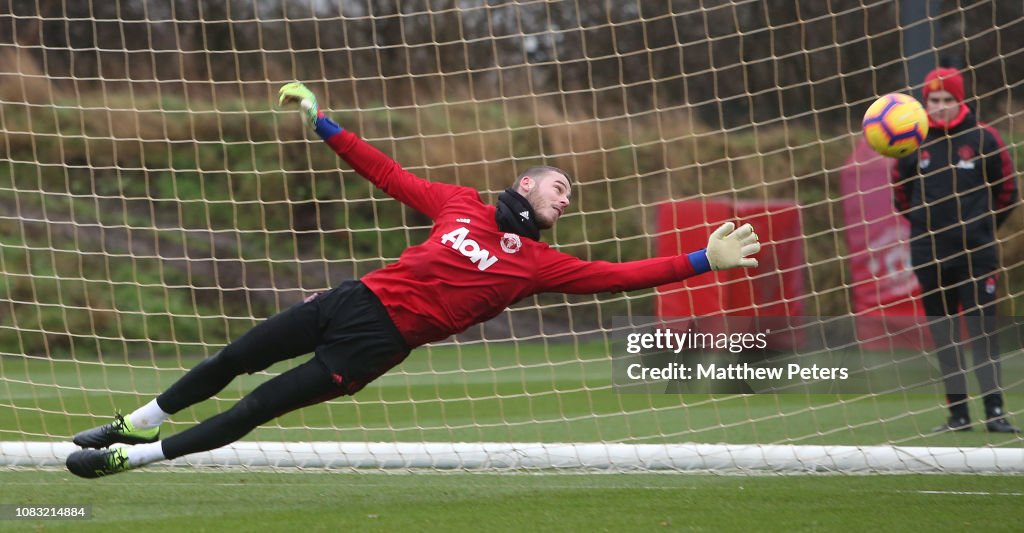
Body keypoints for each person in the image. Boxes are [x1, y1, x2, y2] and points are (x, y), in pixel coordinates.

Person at [65, 82, 762, 477]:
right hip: (349, 298)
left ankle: (137, 456)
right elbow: (387, 171)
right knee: (233, 358)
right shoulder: (458, 202)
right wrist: (324, 123)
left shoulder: (540, 264)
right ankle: (136, 418)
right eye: (558, 187)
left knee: (256, 408)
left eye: (569, 197)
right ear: (525, 183)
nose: (565, 198)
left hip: (371, 347)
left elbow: (622, 275)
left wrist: (703, 259)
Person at [891, 67, 1020, 433]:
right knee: (944, 336)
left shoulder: (985, 139)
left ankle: (995, 412)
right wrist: (926, 226)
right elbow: (901, 195)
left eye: (948, 100)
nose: (941, 107)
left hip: (977, 255)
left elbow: (1008, 192)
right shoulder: (911, 142)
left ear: (960, 100)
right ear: (925, 102)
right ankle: (958, 415)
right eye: (934, 100)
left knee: (983, 332)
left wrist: (980, 228)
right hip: (929, 254)